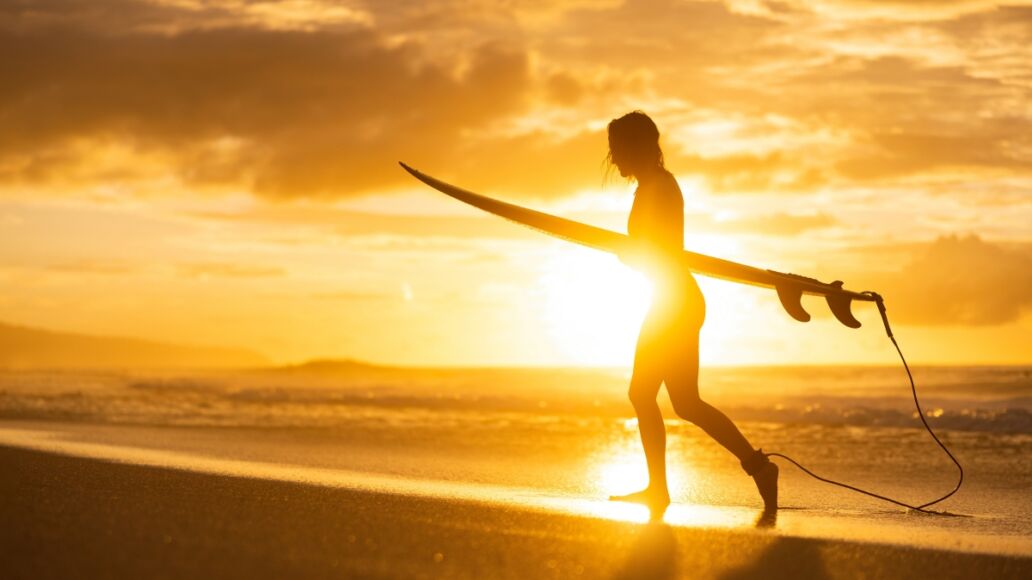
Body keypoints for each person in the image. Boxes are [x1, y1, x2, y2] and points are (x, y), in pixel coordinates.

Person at [606, 111, 778, 514]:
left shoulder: (659, 189)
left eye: (617, 150)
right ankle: (752, 468)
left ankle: (670, 487)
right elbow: (658, 254)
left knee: (657, 396)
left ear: (638, 146)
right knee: (676, 401)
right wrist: (634, 255)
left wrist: (631, 255)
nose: (613, 159)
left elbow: (662, 253)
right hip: (672, 299)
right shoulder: (653, 185)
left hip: (675, 302)